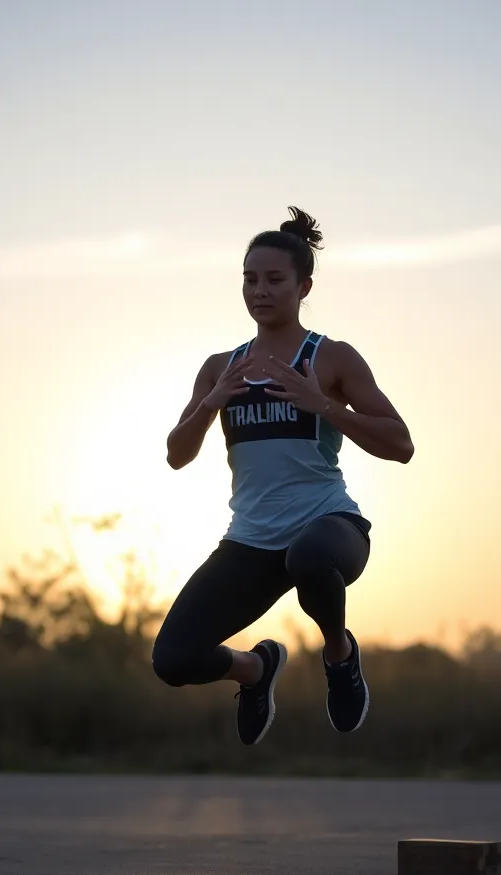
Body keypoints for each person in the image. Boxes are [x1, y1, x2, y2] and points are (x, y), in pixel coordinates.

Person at [151, 206, 414, 746]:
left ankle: (339, 654)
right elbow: (177, 454)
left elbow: (400, 443)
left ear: (303, 285)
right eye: (250, 279)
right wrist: (211, 403)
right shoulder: (221, 365)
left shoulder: (331, 357)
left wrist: (323, 405)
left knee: (310, 555)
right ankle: (255, 670)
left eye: (274, 279)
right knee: (173, 658)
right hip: (251, 543)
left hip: (329, 529)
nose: (259, 290)